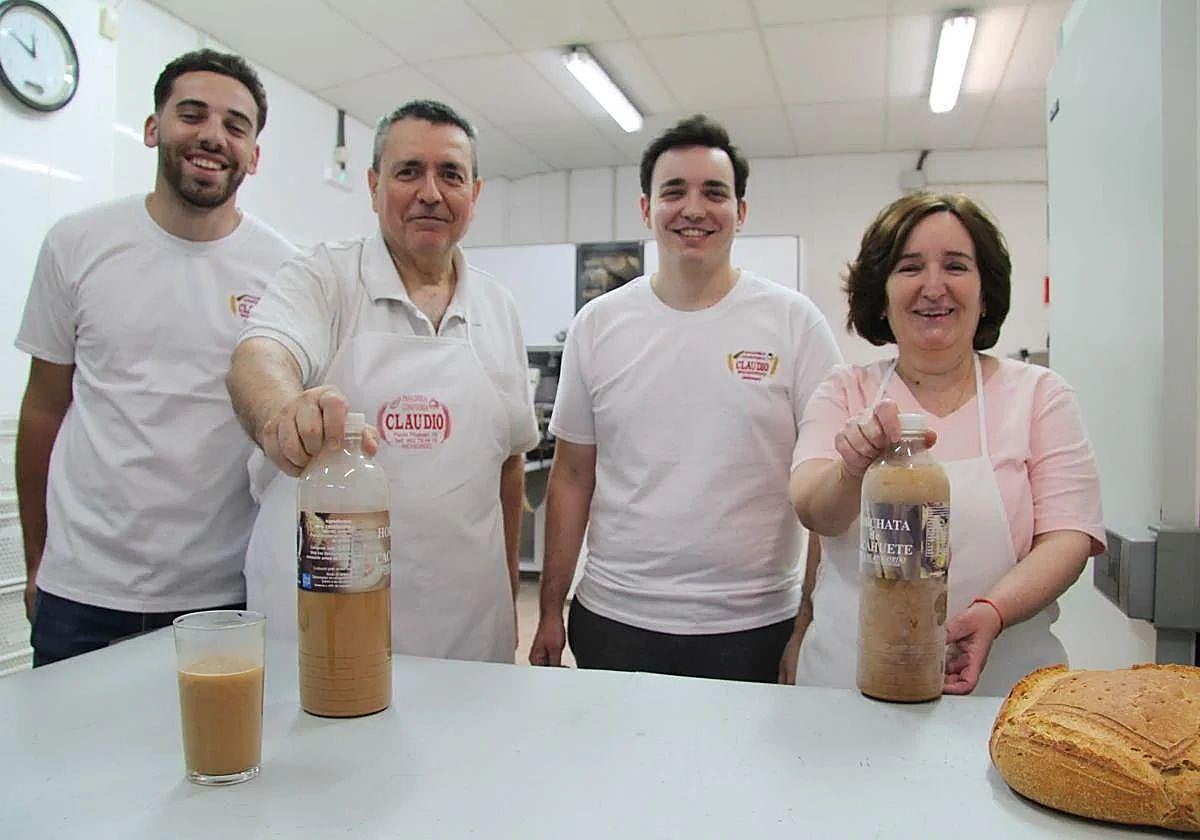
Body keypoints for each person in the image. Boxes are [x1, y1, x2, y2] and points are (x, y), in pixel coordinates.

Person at [528, 115, 843, 683]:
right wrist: (550, 609)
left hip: (755, 625)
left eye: (714, 192)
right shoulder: (598, 325)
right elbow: (572, 476)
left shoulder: (796, 325)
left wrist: (807, 624)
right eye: (674, 192)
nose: (693, 208)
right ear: (646, 209)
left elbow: (831, 487)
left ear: (740, 212)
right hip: (616, 617)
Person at [228, 100, 537, 663]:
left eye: (450, 175)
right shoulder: (323, 279)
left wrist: (510, 595)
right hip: (324, 621)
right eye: (407, 171)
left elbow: (509, 464)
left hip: (466, 630)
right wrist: (281, 413)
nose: (430, 192)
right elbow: (260, 355)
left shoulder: (499, 307)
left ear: (475, 193)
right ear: (373, 186)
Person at [15, 49, 297, 666]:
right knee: (68, 761)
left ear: (254, 154)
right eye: (191, 114)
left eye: (235, 125)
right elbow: (42, 411)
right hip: (81, 590)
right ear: (153, 128)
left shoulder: (284, 270)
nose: (212, 136)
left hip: (221, 595)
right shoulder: (77, 243)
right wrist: (38, 560)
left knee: (213, 763)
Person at [787, 192, 1105, 696]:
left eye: (956, 266)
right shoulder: (845, 391)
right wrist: (851, 468)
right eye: (910, 267)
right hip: (845, 690)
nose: (934, 287)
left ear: (984, 291)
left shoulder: (1040, 396)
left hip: (1001, 688)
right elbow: (814, 512)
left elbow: (1069, 538)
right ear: (882, 294)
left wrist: (993, 613)